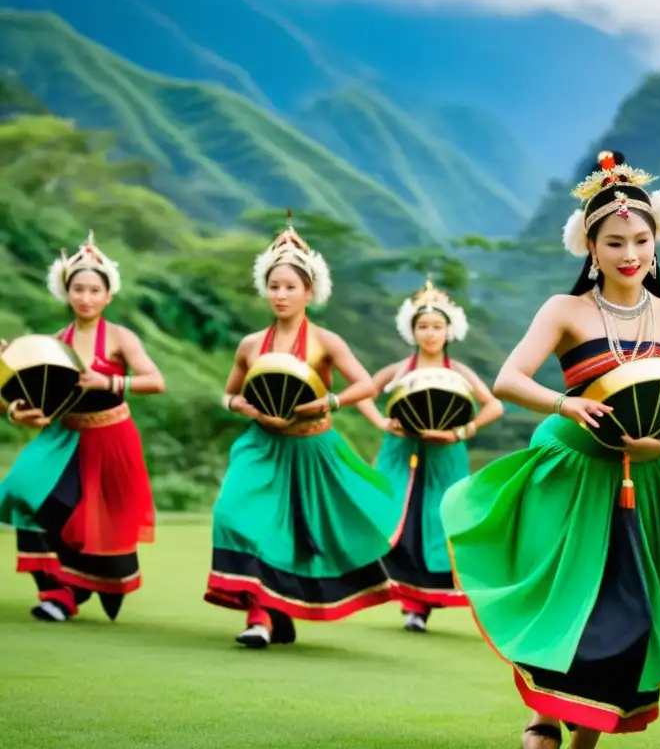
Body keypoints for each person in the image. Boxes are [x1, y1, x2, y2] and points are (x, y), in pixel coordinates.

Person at [441, 151, 660, 749]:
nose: (630, 254)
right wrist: (566, 403)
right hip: (568, 469)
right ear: (590, 246)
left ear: (657, 241)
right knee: (559, 600)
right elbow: (510, 379)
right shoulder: (566, 310)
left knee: (626, 608)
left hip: (640, 479)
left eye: (640, 239)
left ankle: (586, 736)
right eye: (614, 242)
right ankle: (545, 719)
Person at [203, 213, 400, 649]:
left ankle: (267, 616)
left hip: (313, 447)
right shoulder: (251, 345)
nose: (281, 294)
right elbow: (229, 396)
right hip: (261, 445)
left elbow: (367, 384)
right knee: (232, 514)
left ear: (309, 292)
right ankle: (261, 615)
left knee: (296, 535)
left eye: (290, 287)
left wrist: (327, 402)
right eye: (274, 286)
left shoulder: (326, 342)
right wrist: (244, 407)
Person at [0, 230, 164, 623]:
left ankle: (78, 591)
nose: (85, 297)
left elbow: (155, 381)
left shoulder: (122, 338)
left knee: (100, 521)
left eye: (94, 290)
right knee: (25, 491)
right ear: (66, 292)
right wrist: (15, 404)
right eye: (78, 289)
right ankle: (55, 590)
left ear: (108, 296)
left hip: (111, 438)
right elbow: (35, 398)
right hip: (63, 436)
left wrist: (107, 382)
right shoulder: (56, 342)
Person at [355, 277, 503, 632]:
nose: (430, 333)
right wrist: (381, 420)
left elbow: (494, 406)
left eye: (437, 326)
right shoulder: (399, 370)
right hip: (401, 454)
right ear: (412, 330)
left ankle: (420, 606)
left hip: (444, 458)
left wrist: (459, 432)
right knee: (395, 519)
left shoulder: (460, 373)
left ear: (449, 331)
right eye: (423, 326)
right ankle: (405, 600)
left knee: (437, 524)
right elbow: (362, 392)